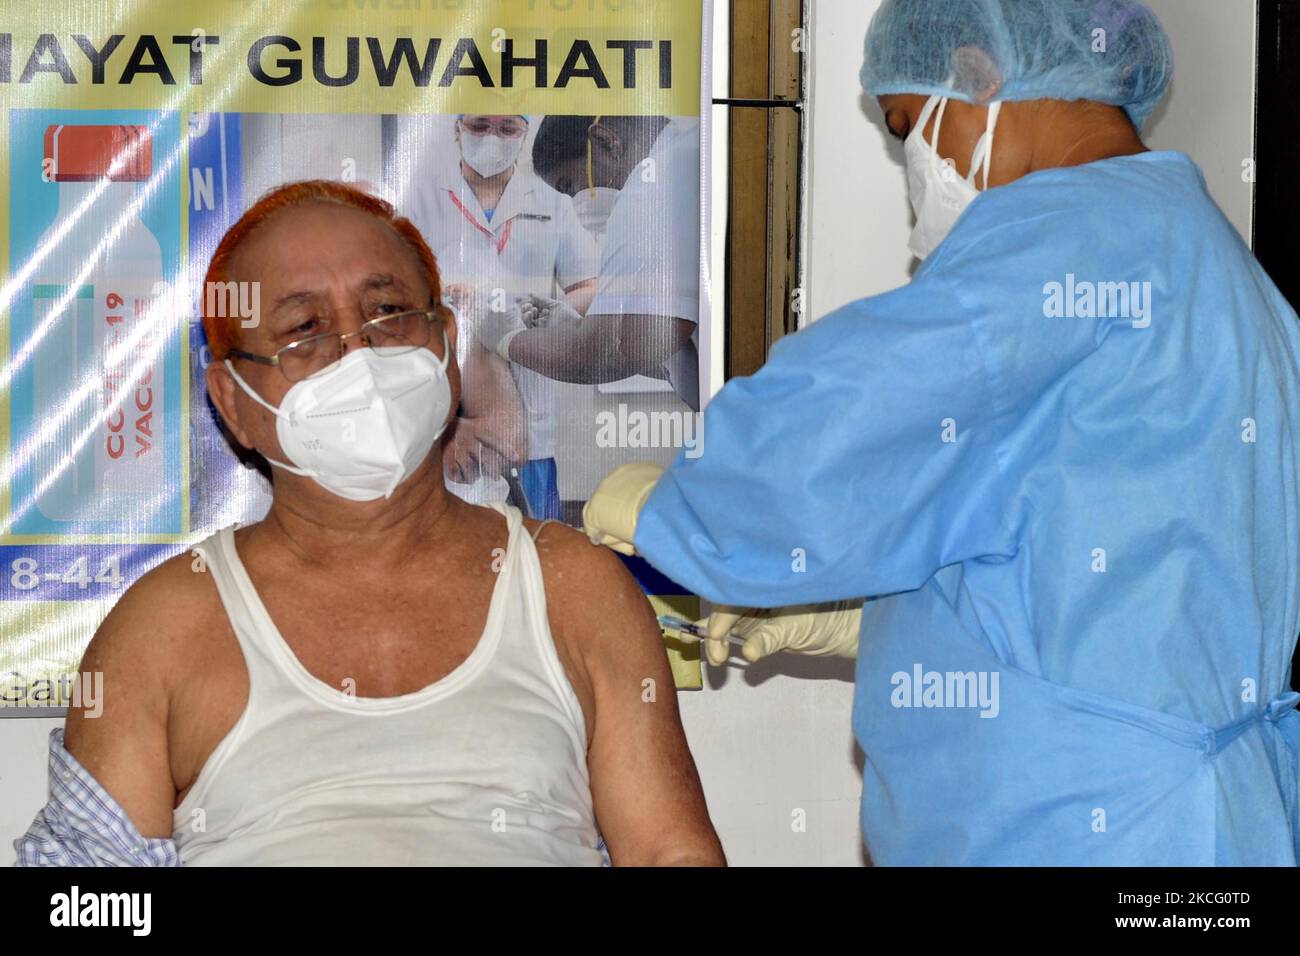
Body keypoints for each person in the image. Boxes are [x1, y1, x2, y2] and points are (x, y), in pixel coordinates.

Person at [583, 0, 1300, 866]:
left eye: (907, 126)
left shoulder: (1055, 250)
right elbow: (1081, 555)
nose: (919, 166)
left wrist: (681, 501)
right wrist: (862, 613)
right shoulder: (1213, 260)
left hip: (1077, 827)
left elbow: (824, 434)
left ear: (978, 74)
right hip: (1210, 824)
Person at [15, 180, 724, 867]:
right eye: (305, 329)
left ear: (446, 345)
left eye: (387, 312)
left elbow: (672, 852)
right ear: (232, 402)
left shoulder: (573, 586)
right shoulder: (163, 628)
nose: (358, 353)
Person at [408, 114, 600, 518]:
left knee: (535, 540)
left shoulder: (553, 204)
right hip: (449, 406)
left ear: (524, 134)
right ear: (456, 129)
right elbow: (389, 296)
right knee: (448, 538)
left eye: (508, 129)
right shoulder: (420, 202)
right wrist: (437, 301)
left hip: (532, 401)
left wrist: (557, 312)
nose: (493, 139)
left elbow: (590, 285)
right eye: (479, 126)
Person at [478, 115, 702, 412]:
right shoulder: (689, 155)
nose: (576, 201)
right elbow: (660, 344)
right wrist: (573, 329)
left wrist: (507, 339)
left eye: (570, 185)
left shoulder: (646, 194)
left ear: (605, 140)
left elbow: (609, 352)